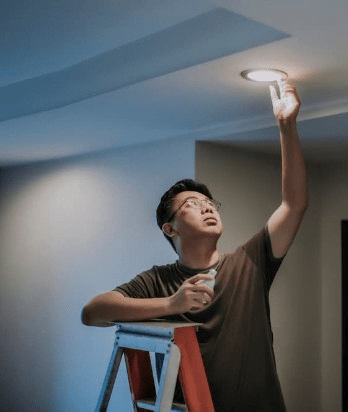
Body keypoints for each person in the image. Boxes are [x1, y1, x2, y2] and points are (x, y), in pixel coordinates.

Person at [81, 79, 308, 412]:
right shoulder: (157, 281)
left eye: (210, 202)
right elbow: (93, 312)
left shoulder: (249, 262)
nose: (207, 206)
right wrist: (172, 304)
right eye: (192, 203)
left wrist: (287, 127)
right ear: (169, 227)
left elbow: (294, 204)